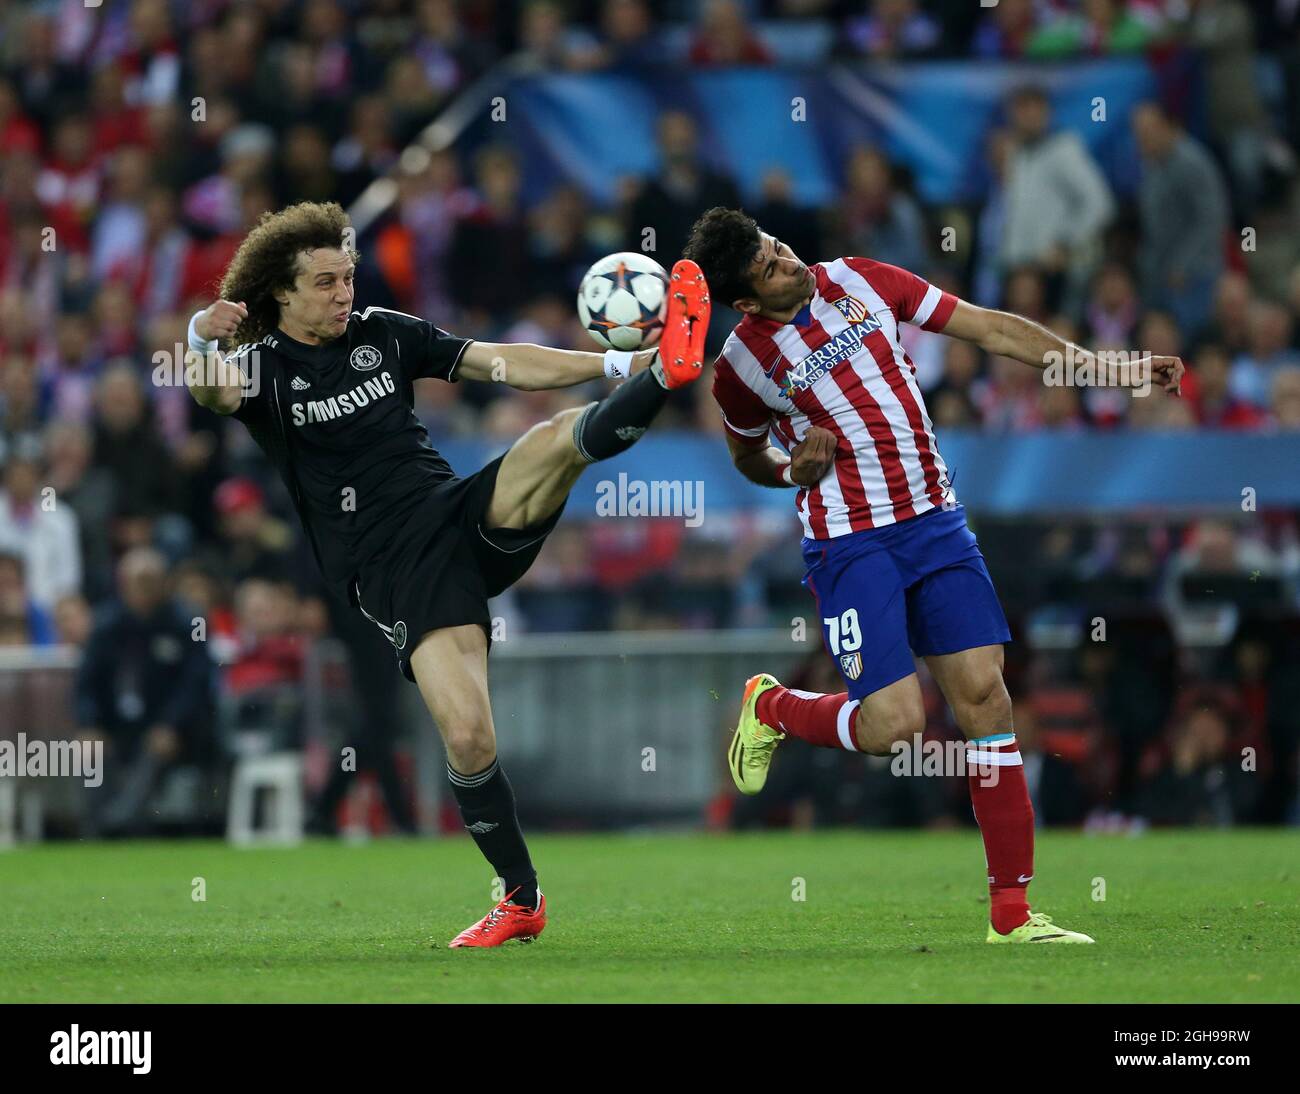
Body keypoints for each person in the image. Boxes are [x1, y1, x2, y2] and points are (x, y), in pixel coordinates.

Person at [184, 201, 708, 947]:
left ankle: (660, 377)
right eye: (326, 282)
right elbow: (208, 392)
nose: (343, 293)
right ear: (281, 294)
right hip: (392, 570)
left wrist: (617, 363)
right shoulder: (261, 372)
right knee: (468, 738)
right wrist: (200, 334)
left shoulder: (383, 333)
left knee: (551, 440)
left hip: (455, 514)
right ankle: (521, 898)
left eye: (348, 277)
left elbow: (501, 361)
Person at [684, 207, 1183, 944]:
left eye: (778, 247)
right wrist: (792, 468)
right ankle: (772, 709)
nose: (787, 261)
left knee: (986, 696)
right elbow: (746, 458)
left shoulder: (859, 278)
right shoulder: (740, 370)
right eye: (766, 267)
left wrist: (1109, 369)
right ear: (747, 303)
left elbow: (989, 329)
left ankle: (1012, 916)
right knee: (895, 726)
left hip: (935, 523)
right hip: (851, 543)